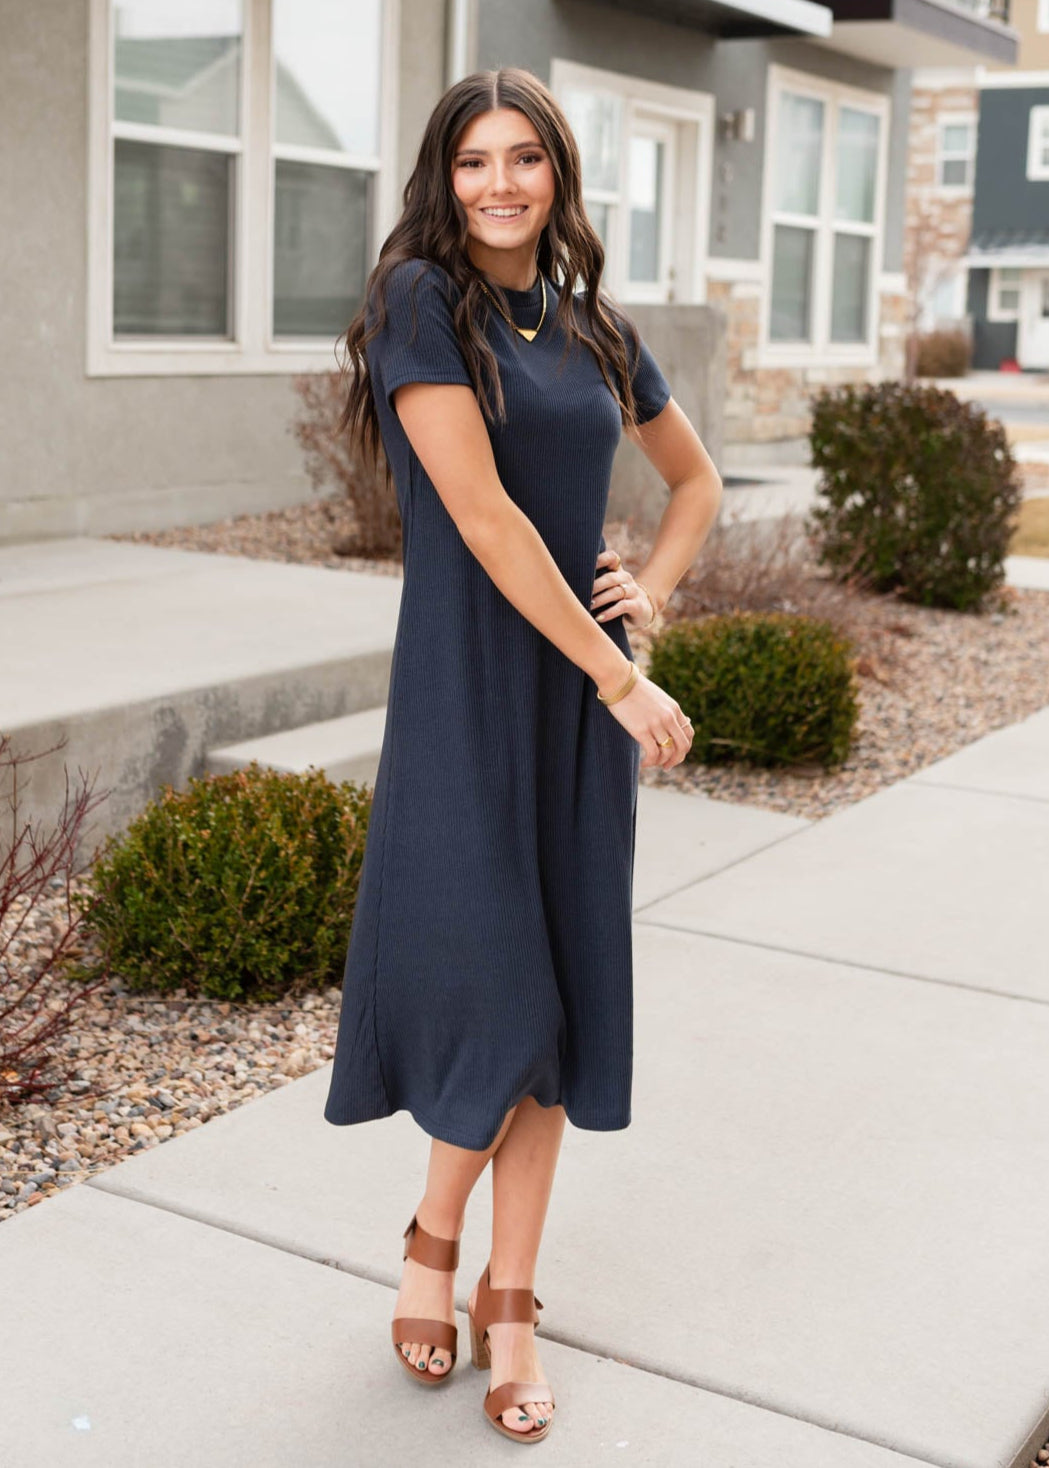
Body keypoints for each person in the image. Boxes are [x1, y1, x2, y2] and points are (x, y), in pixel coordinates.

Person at [323, 66, 722, 1443]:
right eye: (475, 160)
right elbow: (486, 521)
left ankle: (508, 1298)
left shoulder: (597, 328)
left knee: (550, 1011)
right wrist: (623, 676)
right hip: (470, 692)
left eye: (526, 159)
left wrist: (650, 594)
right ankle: (434, 1234)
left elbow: (694, 483)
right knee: (498, 993)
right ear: (446, 175)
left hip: (575, 694)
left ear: (558, 172)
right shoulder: (420, 303)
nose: (500, 183)